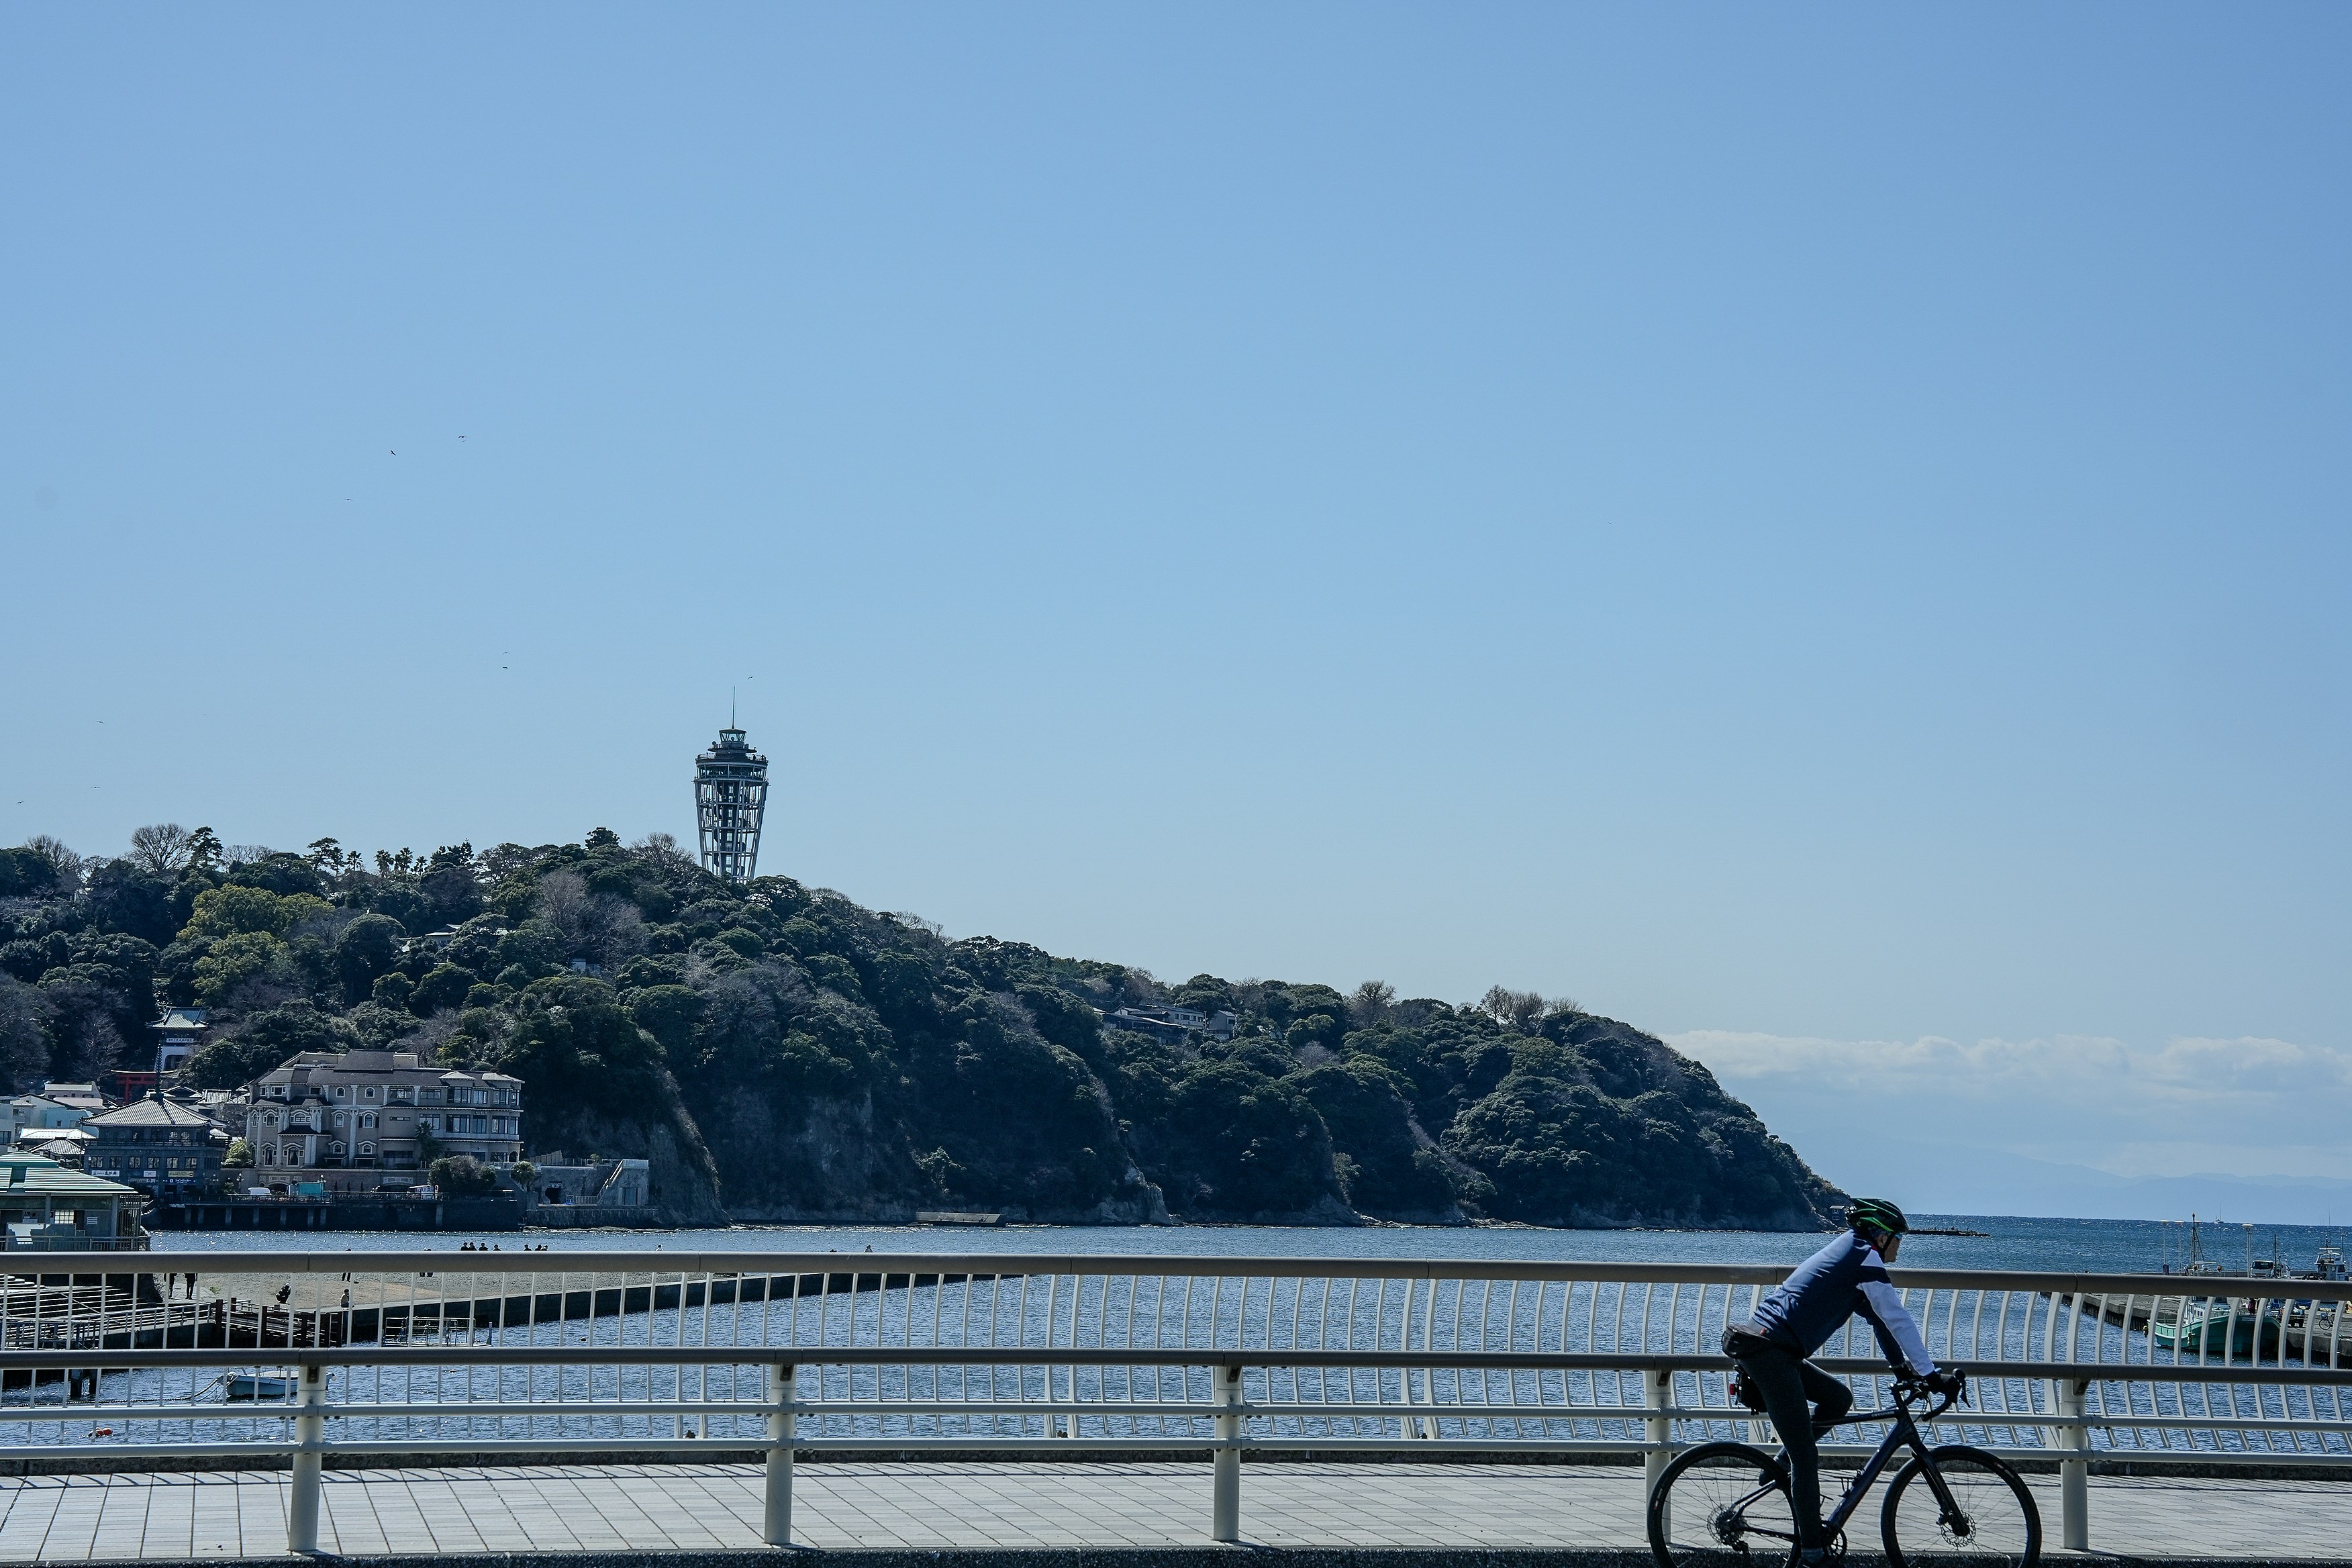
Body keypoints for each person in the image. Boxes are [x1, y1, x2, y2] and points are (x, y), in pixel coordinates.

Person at [1722, 1198, 1963, 1565]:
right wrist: (1931, 1375)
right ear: (1880, 1236)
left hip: (1777, 1349)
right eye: (1897, 1237)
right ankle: (1813, 1553)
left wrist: (1904, 1371)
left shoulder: (1854, 1255)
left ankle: (1781, 1464)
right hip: (1768, 1352)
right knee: (1808, 1456)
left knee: (1838, 1398)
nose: (1900, 1244)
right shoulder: (1864, 1258)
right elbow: (1898, 1317)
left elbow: (1881, 1321)